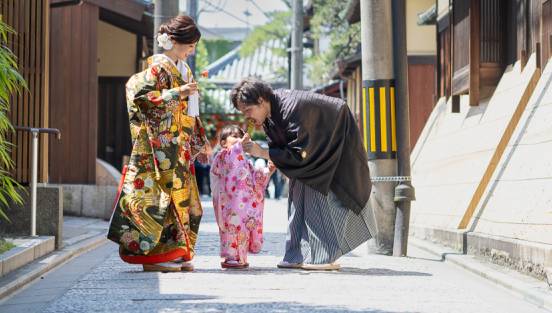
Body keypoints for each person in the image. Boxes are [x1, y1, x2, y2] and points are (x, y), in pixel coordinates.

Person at [232, 77, 377, 271]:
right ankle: (296, 254)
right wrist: (273, 157)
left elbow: (301, 153)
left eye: (247, 110)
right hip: (310, 153)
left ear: (260, 100)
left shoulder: (291, 107)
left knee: (315, 194)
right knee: (297, 196)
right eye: (242, 112)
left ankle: (322, 257)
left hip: (331, 142)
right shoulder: (271, 113)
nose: (246, 116)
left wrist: (265, 153)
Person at [107, 15, 212, 273]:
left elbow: (191, 113)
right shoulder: (157, 69)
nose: (192, 51)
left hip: (179, 147)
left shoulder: (183, 70)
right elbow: (140, 98)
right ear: (174, 42)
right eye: (190, 45)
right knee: (159, 199)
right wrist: (177, 93)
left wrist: (199, 144)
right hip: (158, 148)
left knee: (181, 200)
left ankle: (173, 251)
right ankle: (153, 256)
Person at [210, 125, 275, 269]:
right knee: (230, 225)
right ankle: (231, 256)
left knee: (245, 225)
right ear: (223, 143)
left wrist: (267, 171)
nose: (239, 139)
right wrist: (241, 144)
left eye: (240, 136)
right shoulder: (222, 156)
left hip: (244, 202)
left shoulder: (246, 162)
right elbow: (229, 165)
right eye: (234, 136)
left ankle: (241, 256)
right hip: (228, 200)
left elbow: (254, 178)